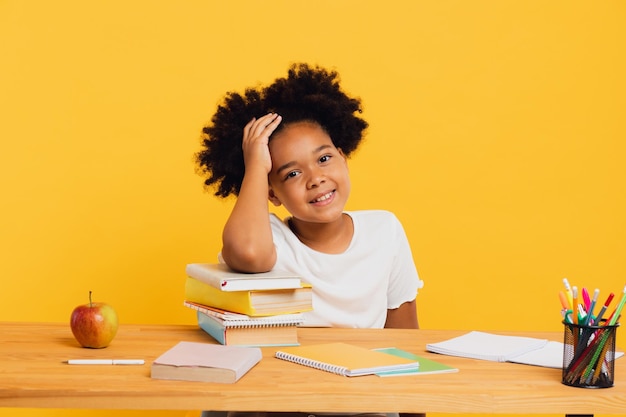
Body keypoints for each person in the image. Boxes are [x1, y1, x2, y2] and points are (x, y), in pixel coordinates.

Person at [196, 63, 425, 417]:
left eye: (324, 158)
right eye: (292, 173)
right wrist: (256, 164)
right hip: (278, 399)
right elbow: (247, 253)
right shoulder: (270, 238)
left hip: (357, 400)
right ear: (271, 193)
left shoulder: (385, 230)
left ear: (344, 157)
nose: (316, 178)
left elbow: (405, 340)